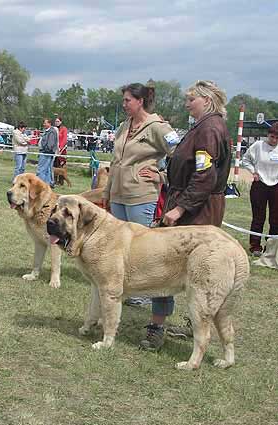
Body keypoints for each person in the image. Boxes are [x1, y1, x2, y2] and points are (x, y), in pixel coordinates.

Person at [137, 80, 231, 350]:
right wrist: (165, 177)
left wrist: (179, 209)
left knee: (175, 268)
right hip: (191, 204)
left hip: (196, 211)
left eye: (191, 99)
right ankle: (188, 323)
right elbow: (190, 170)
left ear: (207, 101)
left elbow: (204, 176)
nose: (187, 103)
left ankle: (159, 327)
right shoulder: (202, 127)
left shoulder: (210, 129)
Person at [102, 83, 179, 307]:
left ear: (140, 101)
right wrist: (107, 191)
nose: (124, 104)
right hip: (118, 195)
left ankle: (145, 293)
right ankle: (124, 288)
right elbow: (115, 161)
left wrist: (162, 176)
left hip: (141, 195)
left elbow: (181, 154)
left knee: (142, 248)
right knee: (119, 245)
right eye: (123, 100)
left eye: (127, 100)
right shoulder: (123, 126)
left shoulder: (158, 127)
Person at [241, 122, 278, 256]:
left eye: (276, 138)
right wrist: (253, 172)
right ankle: (255, 246)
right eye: (272, 136)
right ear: (268, 135)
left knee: (275, 219)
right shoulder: (258, 146)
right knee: (258, 217)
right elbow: (245, 160)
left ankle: (271, 246)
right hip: (260, 185)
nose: (273, 140)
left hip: (276, 186)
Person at [36, 118, 58, 186]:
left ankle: (40, 185)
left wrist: (44, 150)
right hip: (47, 153)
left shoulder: (51, 132)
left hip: (46, 153)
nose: (44, 124)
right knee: (47, 170)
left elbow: (50, 144)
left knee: (41, 170)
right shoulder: (47, 131)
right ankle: (47, 185)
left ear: (49, 123)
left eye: (45, 123)